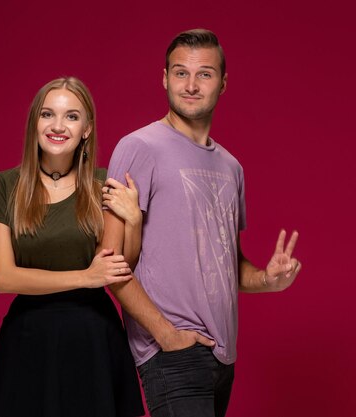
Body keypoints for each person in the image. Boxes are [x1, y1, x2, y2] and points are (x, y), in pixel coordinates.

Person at [102, 29, 302, 417]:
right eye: (180, 73)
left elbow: (226, 264)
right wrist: (165, 334)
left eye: (204, 74)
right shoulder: (139, 147)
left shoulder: (231, 167)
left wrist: (268, 279)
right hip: (172, 351)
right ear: (164, 78)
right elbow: (110, 262)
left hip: (223, 356)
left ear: (223, 83)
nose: (191, 85)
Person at [0, 77, 144, 417]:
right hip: (30, 338)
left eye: (71, 116)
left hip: (94, 338)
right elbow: (5, 278)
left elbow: (116, 268)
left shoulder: (103, 184)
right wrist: (84, 277)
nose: (57, 126)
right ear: (34, 123)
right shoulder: (5, 185)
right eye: (47, 114)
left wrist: (134, 223)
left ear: (87, 129)